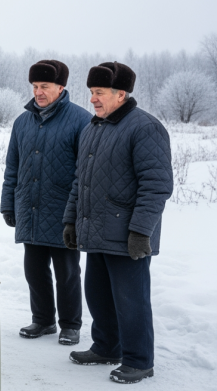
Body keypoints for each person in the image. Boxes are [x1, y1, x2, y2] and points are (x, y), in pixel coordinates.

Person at [63, 62, 172, 384]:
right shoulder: (93, 128)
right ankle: (107, 347)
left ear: (120, 94)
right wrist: (71, 221)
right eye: (92, 93)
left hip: (127, 236)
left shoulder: (145, 128)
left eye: (99, 93)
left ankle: (139, 360)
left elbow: (156, 185)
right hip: (96, 230)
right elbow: (80, 181)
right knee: (97, 293)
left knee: (130, 300)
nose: (93, 99)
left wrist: (141, 231)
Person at [1, 60, 92, 345]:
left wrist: (76, 211)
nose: (38, 92)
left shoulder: (81, 120)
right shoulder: (22, 122)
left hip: (63, 209)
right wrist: (8, 202)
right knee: (34, 268)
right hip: (30, 206)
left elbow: (84, 171)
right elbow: (12, 166)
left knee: (67, 271)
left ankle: (70, 324)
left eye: (45, 87)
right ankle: (42, 320)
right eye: (35, 86)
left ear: (61, 87)